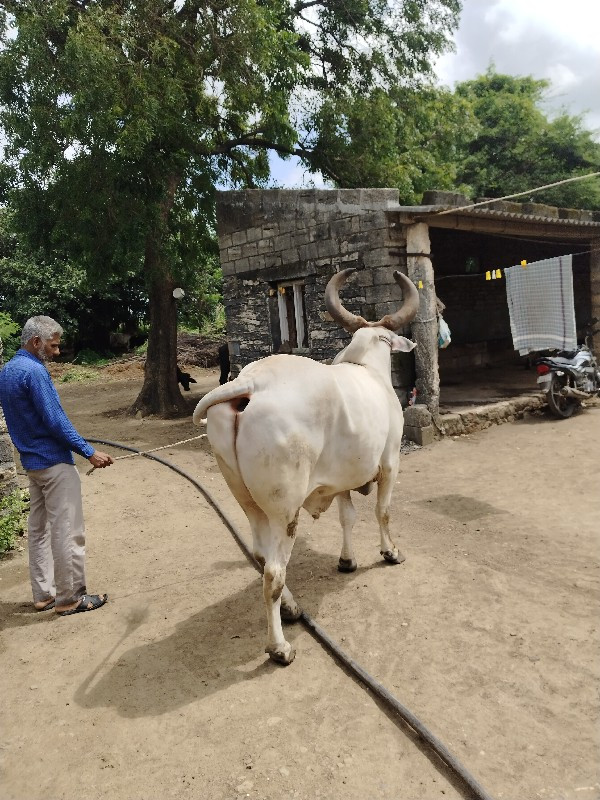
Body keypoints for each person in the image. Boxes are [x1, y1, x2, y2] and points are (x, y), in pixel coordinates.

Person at [0, 316, 114, 616]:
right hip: (54, 464)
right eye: (53, 345)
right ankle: (70, 599)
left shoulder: (8, 371)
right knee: (68, 531)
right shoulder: (35, 372)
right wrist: (89, 451)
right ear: (36, 342)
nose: (57, 351)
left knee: (39, 531)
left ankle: (44, 595)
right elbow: (54, 420)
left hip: (32, 465)